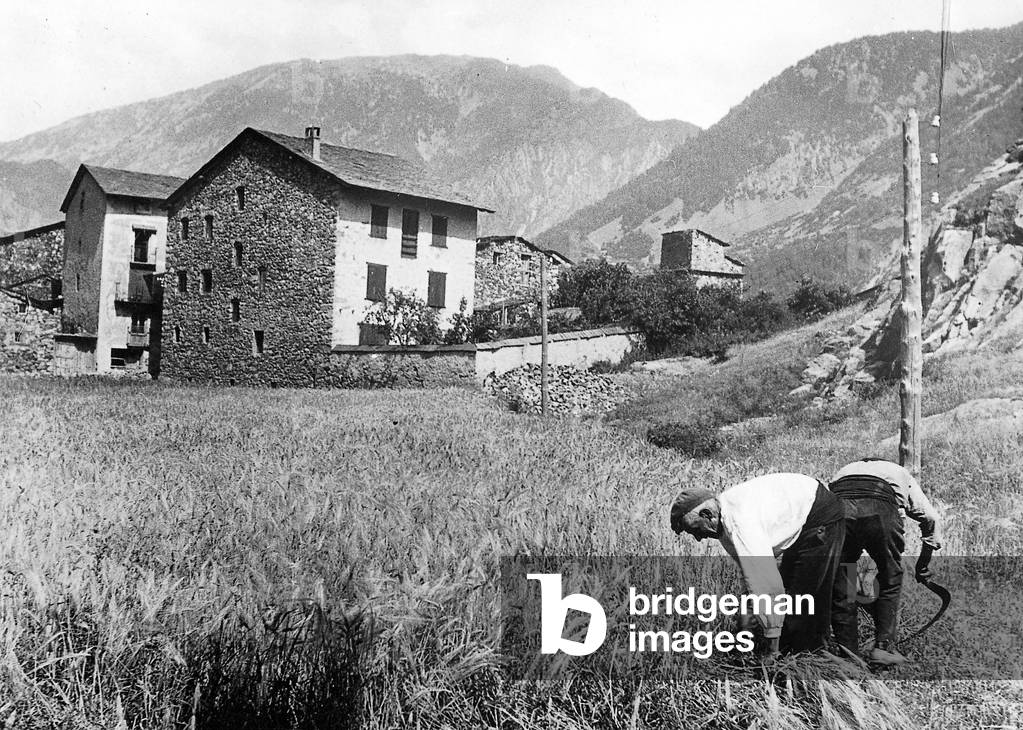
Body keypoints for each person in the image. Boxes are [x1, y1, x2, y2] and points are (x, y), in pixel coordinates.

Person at [670, 473, 846, 658]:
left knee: (803, 603)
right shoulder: (724, 524)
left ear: (707, 515)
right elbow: (750, 577)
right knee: (793, 598)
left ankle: (809, 661)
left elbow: (766, 584)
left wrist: (772, 649)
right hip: (804, 518)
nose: (698, 538)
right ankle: (794, 652)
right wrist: (745, 631)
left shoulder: (740, 522)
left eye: (696, 529)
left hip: (819, 515)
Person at [829, 458, 942, 666]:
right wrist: (922, 566)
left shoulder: (843, 469)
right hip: (880, 509)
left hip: (840, 510)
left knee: (841, 579)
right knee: (890, 576)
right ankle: (883, 649)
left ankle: (848, 654)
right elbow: (931, 519)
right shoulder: (899, 472)